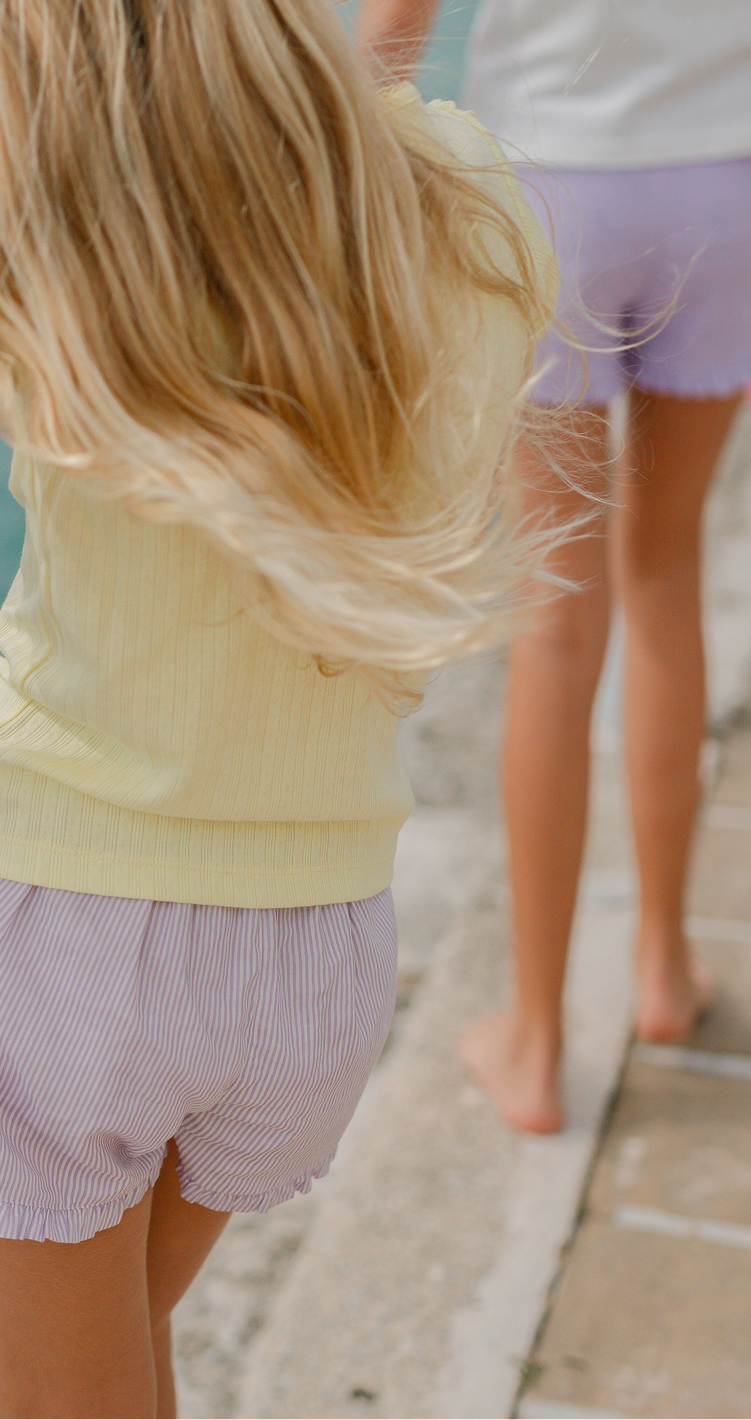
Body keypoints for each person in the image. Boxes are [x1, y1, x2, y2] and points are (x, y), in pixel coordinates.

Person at [0, 2, 554, 1415]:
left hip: (64, 929)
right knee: (118, 1365)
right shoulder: (463, 183)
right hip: (316, 939)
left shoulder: (25, 198)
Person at [359, 0, 751, 1135]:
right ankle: (665, 969)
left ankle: (535, 1044)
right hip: (724, 179)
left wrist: (295, 170)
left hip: (555, 190)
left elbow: (393, 25)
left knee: (553, 619)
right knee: (665, 569)